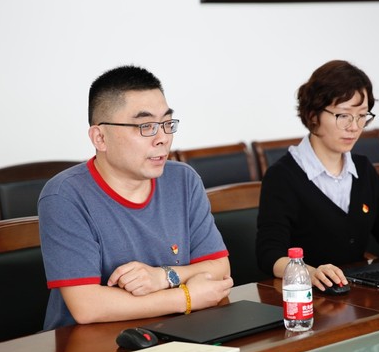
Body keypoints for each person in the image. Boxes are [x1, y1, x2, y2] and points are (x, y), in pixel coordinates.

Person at [38, 65, 233, 330]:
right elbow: (87, 306)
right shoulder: (64, 196)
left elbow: (219, 269)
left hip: (178, 332)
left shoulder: (183, 180)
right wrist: (186, 297)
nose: (162, 138)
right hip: (89, 345)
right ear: (100, 137)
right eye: (146, 126)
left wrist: (162, 277)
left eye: (166, 123)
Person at [256, 60, 379, 292]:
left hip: (356, 292)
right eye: (344, 115)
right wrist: (310, 273)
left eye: (362, 115)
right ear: (313, 115)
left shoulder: (363, 169)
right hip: (308, 297)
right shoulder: (282, 176)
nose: (354, 127)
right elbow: (269, 254)